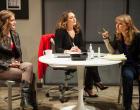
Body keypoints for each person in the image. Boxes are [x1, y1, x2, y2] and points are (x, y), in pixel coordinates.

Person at [54, 10, 108, 97]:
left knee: (91, 62)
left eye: (74, 17)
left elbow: (83, 47)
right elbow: (57, 49)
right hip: (67, 59)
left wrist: (79, 49)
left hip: (77, 57)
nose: (74, 19)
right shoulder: (60, 31)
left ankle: (92, 86)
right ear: (65, 21)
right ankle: (94, 85)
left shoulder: (78, 31)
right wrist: (69, 51)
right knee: (90, 64)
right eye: (71, 18)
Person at [0, 10, 37, 110]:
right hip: (2, 68)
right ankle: (28, 103)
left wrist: (17, 62)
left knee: (28, 66)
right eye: (12, 20)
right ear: (5, 22)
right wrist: (9, 64)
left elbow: (18, 54)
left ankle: (25, 102)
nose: (15, 22)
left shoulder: (14, 34)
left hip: (12, 65)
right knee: (31, 76)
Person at [101, 14, 140, 110]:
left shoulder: (137, 36)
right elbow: (112, 51)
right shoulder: (118, 36)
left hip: (139, 65)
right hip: (128, 66)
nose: (117, 26)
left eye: (120, 24)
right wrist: (106, 39)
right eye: (116, 23)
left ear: (127, 25)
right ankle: (127, 106)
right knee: (127, 76)